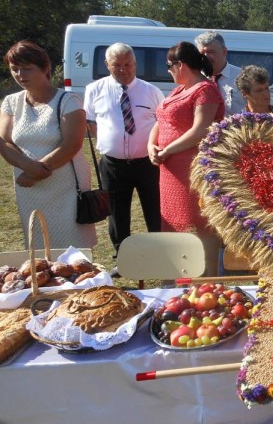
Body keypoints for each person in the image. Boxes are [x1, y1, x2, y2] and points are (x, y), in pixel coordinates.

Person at [0, 41, 97, 249]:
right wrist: (29, 169)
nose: (20, 74)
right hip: (28, 187)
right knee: (37, 243)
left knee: (73, 245)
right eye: (14, 69)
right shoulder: (10, 102)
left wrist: (38, 170)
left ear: (45, 68)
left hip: (66, 187)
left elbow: (72, 145)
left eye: (27, 68)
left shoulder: (68, 100)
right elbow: (5, 141)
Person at [148, 41, 224, 275]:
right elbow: (161, 121)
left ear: (180, 65)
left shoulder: (205, 89)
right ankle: (179, 275)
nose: (168, 72)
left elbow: (200, 130)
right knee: (174, 222)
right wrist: (151, 144)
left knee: (199, 222)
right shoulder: (178, 90)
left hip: (192, 168)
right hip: (169, 172)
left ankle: (207, 278)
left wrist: (168, 149)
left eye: (169, 67)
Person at [83, 43, 164, 260]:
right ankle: (123, 256)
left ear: (135, 63)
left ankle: (159, 254)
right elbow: (90, 122)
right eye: (117, 64)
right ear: (107, 64)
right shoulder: (94, 90)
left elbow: (163, 125)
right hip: (112, 164)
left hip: (147, 163)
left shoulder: (152, 92)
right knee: (117, 213)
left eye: (128, 64)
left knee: (155, 209)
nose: (123, 69)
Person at [195, 31, 244, 116]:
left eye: (211, 52)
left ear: (224, 51)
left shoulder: (242, 76)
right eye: (202, 53)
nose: (206, 57)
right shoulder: (195, 78)